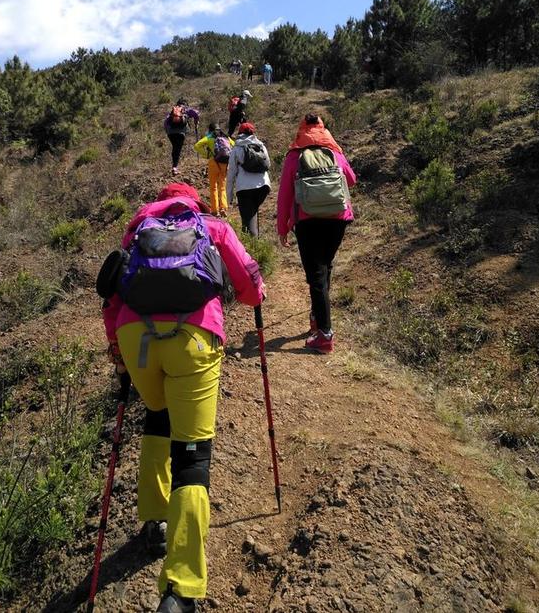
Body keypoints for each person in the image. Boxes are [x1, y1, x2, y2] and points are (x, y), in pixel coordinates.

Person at [101, 182, 265, 613]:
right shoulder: (211, 225)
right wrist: (258, 295)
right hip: (194, 335)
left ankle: (153, 519)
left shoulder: (136, 231)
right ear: (193, 201)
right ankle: (182, 587)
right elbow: (248, 284)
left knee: (156, 414)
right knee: (192, 455)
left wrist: (118, 353)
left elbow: (112, 294)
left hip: (135, 336)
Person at [276, 114, 356, 354]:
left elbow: (284, 196)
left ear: (302, 129)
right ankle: (317, 316)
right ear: (323, 129)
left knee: (316, 274)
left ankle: (324, 333)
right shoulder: (335, 152)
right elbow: (351, 180)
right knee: (325, 267)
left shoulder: (294, 156)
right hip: (337, 220)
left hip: (307, 221)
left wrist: (283, 228)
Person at [226, 122, 271, 236]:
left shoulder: (237, 148)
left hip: (245, 188)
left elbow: (231, 173)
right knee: (252, 214)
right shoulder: (261, 146)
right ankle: (256, 244)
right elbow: (268, 164)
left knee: (247, 221)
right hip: (263, 187)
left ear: (240, 133)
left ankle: (251, 248)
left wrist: (229, 196)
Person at [194, 123, 234, 217]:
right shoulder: (226, 137)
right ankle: (223, 208)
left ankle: (215, 210)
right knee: (222, 187)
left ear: (210, 130)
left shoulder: (209, 137)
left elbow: (197, 146)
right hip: (224, 163)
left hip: (213, 162)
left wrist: (205, 155)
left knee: (213, 187)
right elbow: (234, 145)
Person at [164, 98, 200, 175]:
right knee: (177, 149)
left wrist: (167, 131)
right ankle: (175, 167)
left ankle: (174, 166)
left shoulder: (173, 111)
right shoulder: (186, 109)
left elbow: (166, 121)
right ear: (185, 104)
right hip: (181, 132)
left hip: (171, 133)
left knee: (175, 148)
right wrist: (196, 122)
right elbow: (196, 113)